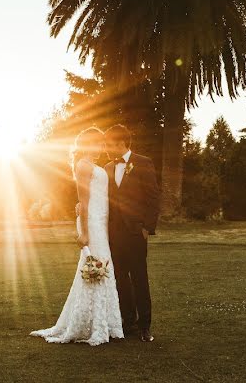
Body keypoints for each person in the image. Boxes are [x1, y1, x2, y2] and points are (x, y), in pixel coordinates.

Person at [30, 127, 123, 345]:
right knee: (96, 267)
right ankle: (92, 324)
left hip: (101, 220)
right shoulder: (83, 164)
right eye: (99, 143)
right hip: (92, 222)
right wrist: (85, 231)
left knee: (102, 267)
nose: (102, 148)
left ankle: (103, 322)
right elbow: (85, 198)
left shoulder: (93, 165)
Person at [104, 124, 161, 342]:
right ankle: (128, 323)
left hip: (136, 232)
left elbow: (153, 198)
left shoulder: (143, 162)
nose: (106, 148)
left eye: (109, 144)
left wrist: (147, 227)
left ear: (121, 143)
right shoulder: (107, 167)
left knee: (139, 278)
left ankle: (144, 325)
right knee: (120, 279)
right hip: (113, 234)